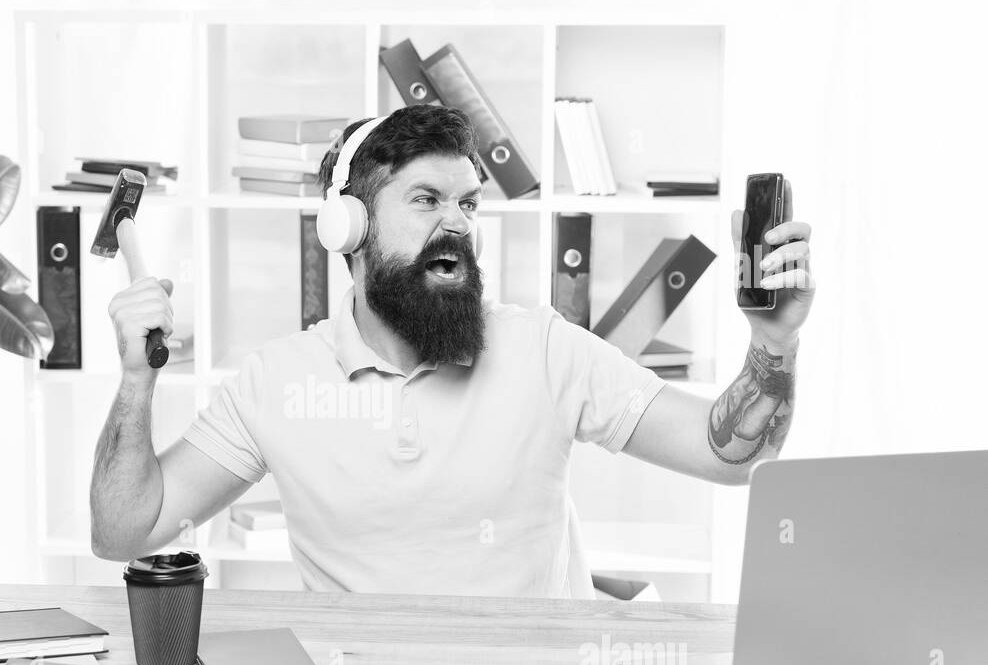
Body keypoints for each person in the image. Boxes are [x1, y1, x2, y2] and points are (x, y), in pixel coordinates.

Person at [90, 105, 814, 598]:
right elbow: (124, 530)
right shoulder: (275, 383)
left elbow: (734, 455)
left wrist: (774, 343)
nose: (458, 225)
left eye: (468, 204)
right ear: (347, 226)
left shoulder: (545, 350)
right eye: (427, 200)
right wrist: (134, 382)